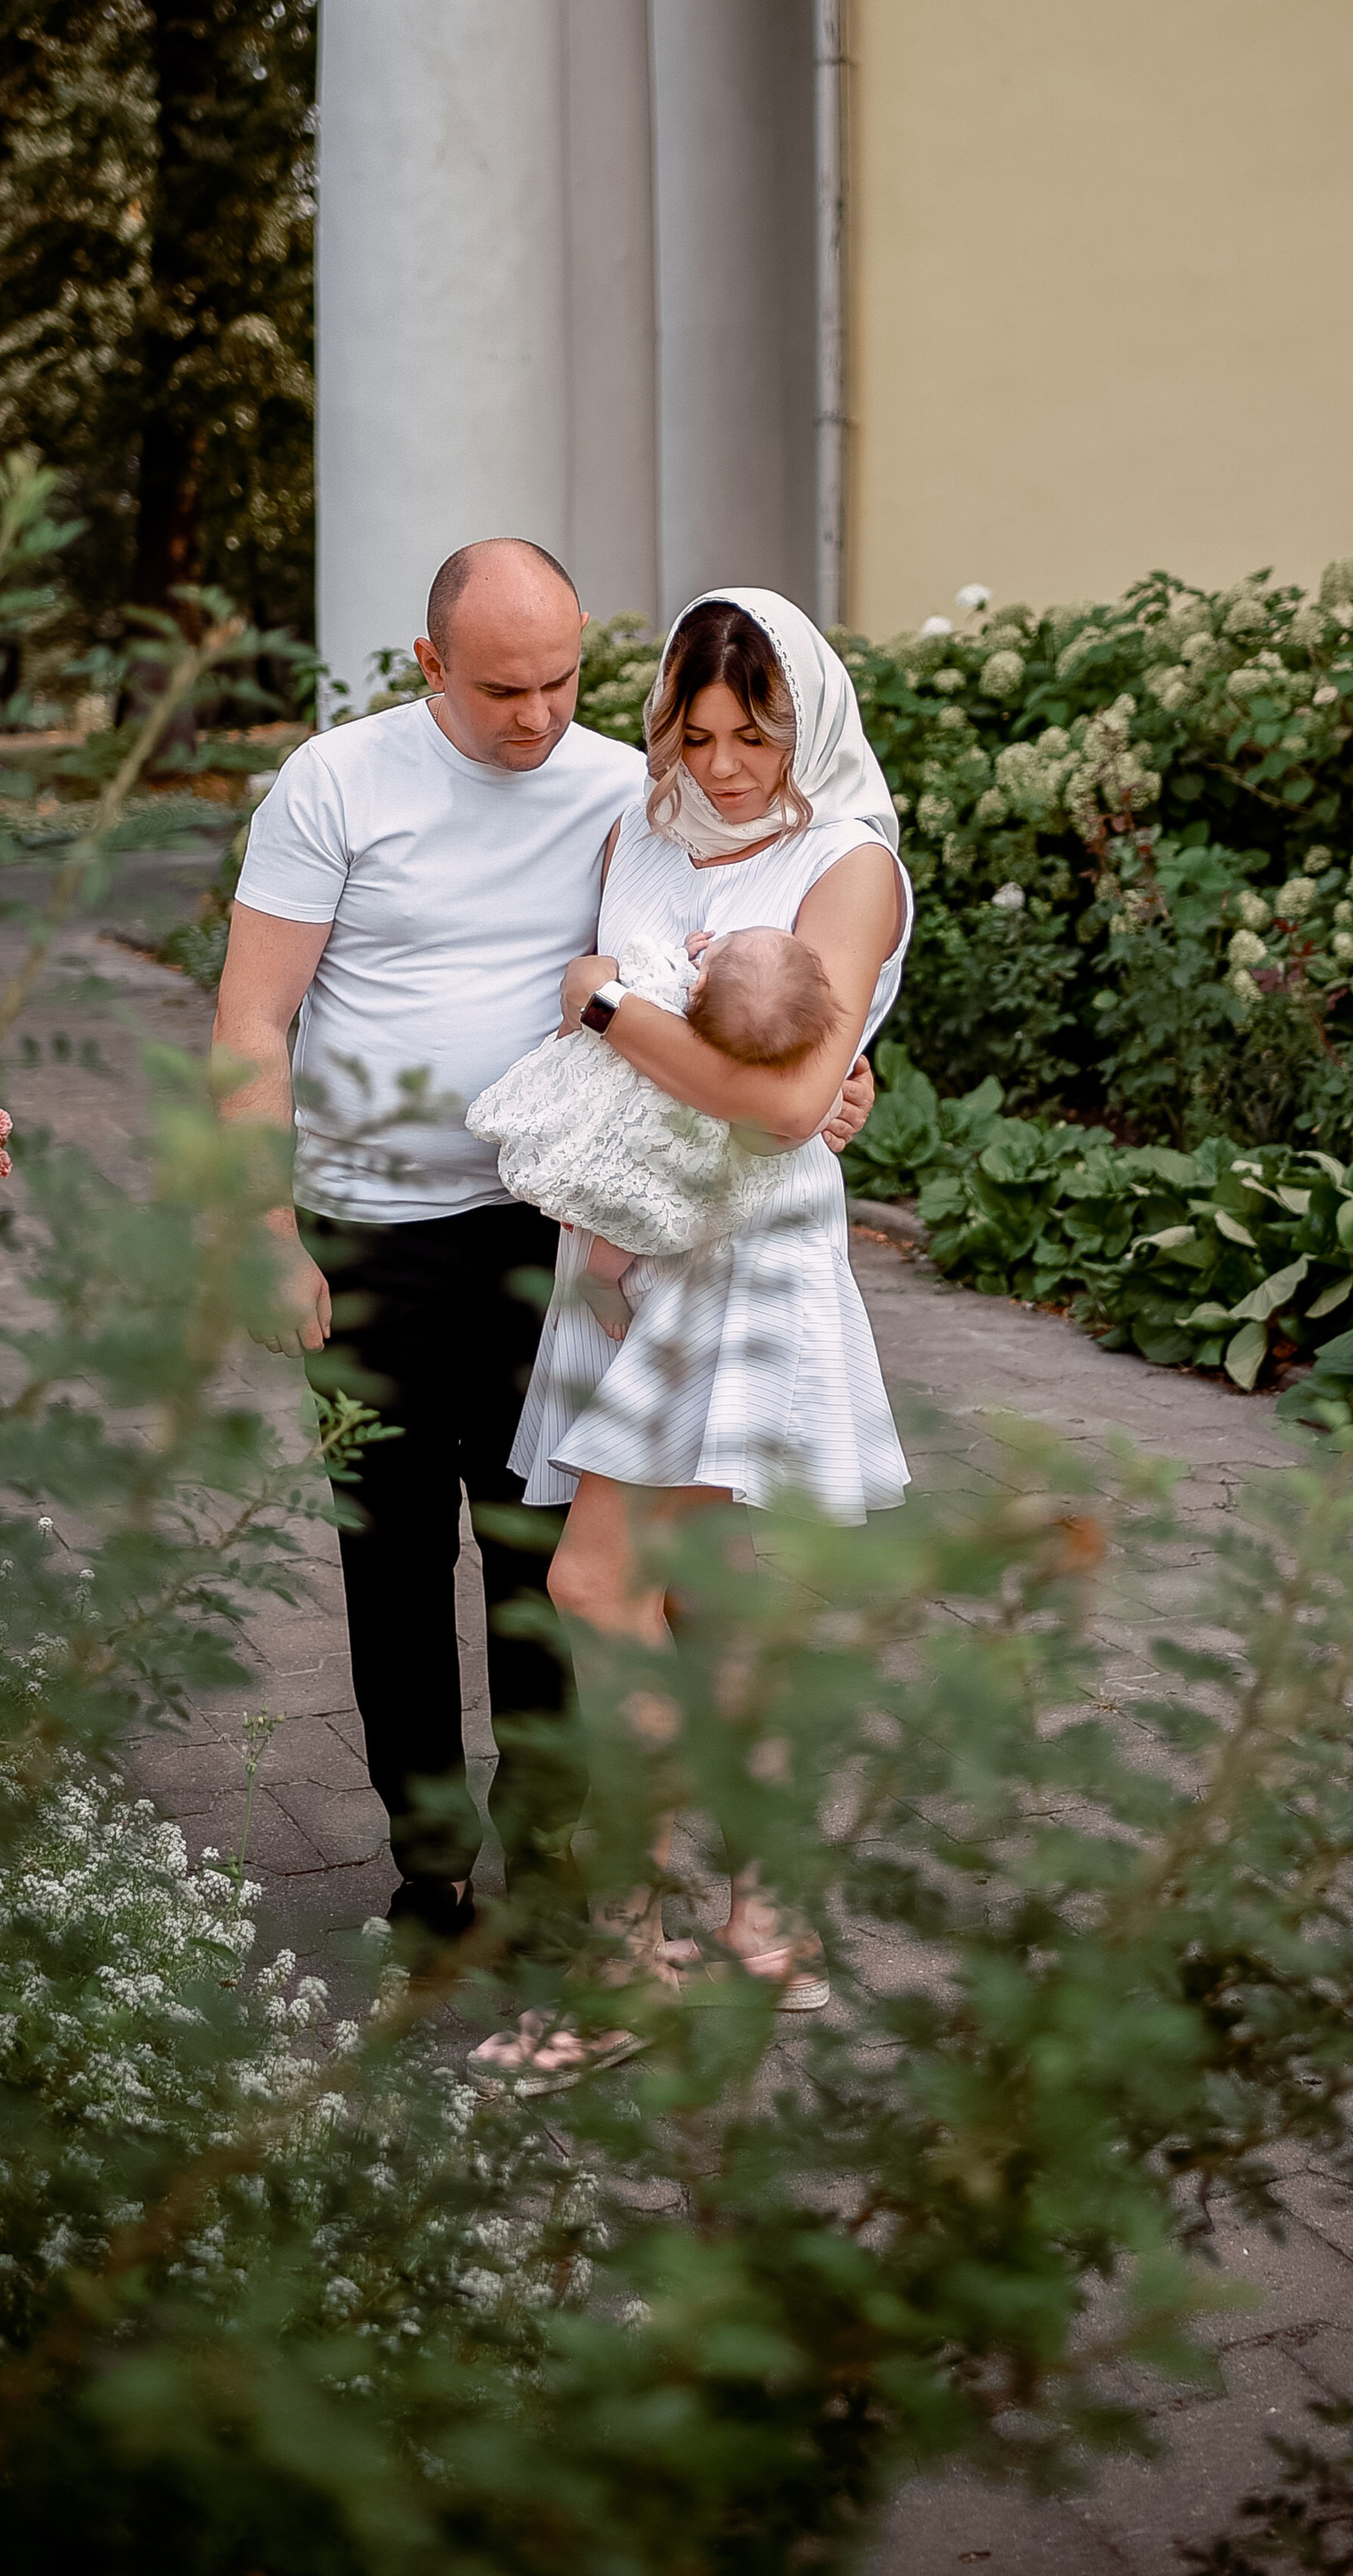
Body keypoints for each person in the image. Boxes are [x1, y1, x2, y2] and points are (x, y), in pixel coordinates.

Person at [213, 541, 874, 1947]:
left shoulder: (633, 793)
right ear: (428, 664)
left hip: (561, 1233)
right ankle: (431, 1862)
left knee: (548, 1557)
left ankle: (556, 1855)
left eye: (563, 681)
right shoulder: (335, 784)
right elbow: (252, 1019)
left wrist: (836, 1078)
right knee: (393, 1555)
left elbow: (737, 965)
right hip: (372, 1229)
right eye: (502, 689)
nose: (537, 716)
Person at [474, 587, 912, 2071]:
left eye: (755, 736)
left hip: (738, 1249)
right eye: (699, 732)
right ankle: (768, 1925)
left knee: (598, 1584)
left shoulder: (847, 865)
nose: (725, 768)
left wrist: (606, 1010)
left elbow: (785, 1102)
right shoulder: (642, 832)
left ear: (810, 723)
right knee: (703, 1590)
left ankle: (622, 1966)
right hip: (624, 1236)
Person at [466, 923, 838, 1329]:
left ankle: (596, 1279)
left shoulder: (664, 989)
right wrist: (828, 1108)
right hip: (653, 1160)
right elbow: (766, 1143)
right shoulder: (760, 1067)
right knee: (640, 1221)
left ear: (699, 984)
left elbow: (625, 978)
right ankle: (599, 1276)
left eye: (715, 951)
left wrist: (680, 956)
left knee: (633, 1211)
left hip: (624, 1142)